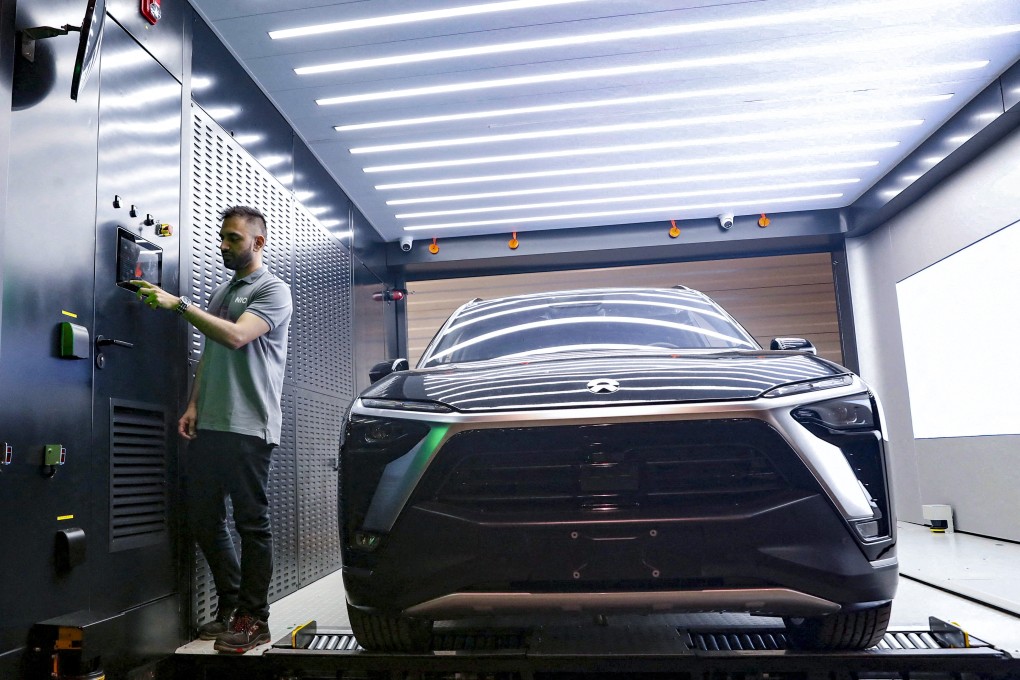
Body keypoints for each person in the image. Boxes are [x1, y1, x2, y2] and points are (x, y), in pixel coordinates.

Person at [133, 205, 292, 654]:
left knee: (251, 524)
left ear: (258, 242)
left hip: (248, 426)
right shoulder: (224, 290)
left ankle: (253, 618)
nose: (224, 244)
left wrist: (180, 304)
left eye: (234, 238)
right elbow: (210, 354)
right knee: (204, 519)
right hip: (212, 424)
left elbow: (237, 337)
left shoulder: (273, 290)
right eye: (222, 237)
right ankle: (230, 602)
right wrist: (194, 405)